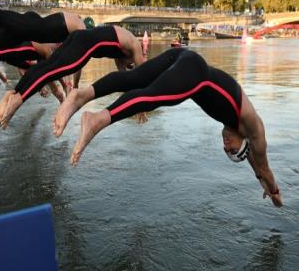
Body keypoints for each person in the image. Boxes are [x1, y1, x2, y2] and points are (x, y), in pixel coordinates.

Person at [55, 47, 282, 207]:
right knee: (155, 97)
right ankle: (97, 120)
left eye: (226, 151)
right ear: (244, 143)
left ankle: (81, 95)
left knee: (135, 79)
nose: (225, 147)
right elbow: (262, 165)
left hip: (183, 58)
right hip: (195, 72)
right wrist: (273, 191)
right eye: (232, 150)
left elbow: (256, 165)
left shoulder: (236, 126)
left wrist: (258, 179)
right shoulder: (254, 129)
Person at [0, 25, 144, 129]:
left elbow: (126, 83)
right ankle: (18, 100)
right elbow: (140, 77)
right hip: (87, 43)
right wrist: (141, 107)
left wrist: (75, 86)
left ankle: (14, 93)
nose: (127, 65)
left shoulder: (122, 52)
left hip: (78, 36)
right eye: (131, 65)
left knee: (47, 66)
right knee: (52, 71)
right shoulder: (136, 46)